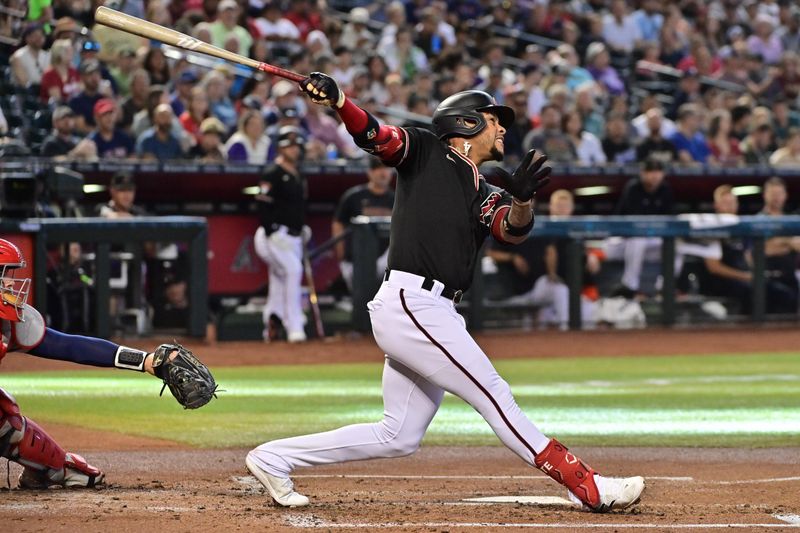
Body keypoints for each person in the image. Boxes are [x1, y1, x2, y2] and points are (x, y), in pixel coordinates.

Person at [246, 76, 645, 511]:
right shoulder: (426, 150)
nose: (502, 130)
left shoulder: (483, 188)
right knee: (494, 393)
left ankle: (273, 457)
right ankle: (585, 483)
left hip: (430, 309)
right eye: (494, 120)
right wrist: (340, 100)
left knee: (398, 436)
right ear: (467, 123)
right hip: (412, 302)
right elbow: (375, 136)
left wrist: (524, 200)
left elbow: (511, 230)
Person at [0, 238, 215, 489]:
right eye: (3, 275)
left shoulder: (9, 324)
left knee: (7, 420)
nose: (11, 284)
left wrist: (145, 362)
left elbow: (69, 346)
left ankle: (52, 467)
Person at [699, 185, 797, 314]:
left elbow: (747, 256)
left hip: (745, 277)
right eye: (725, 203)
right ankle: (746, 330)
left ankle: (775, 332)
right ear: (716, 206)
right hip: (722, 281)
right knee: (751, 293)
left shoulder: (741, 228)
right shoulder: (711, 228)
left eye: (732, 202)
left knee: (784, 294)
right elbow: (714, 267)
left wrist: (755, 273)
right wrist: (744, 276)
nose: (730, 206)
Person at [253, 126, 309, 343]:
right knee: (294, 270)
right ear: (280, 148)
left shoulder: (299, 174)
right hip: (272, 235)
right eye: (289, 146)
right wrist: (270, 230)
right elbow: (262, 204)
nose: (294, 150)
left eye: (296, 146)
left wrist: (302, 228)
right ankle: (294, 324)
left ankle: (271, 322)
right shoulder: (272, 173)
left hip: (293, 236)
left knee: (280, 278)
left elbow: (299, 207)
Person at [606, 157, 675, 298]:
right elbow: (634, 225)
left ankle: (664, 286)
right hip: (621, 241)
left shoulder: (665, 189)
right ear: (643, 173)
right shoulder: (633, 188)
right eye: (650, 171)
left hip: (648, 242)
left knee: (676, 246)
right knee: (638, 239)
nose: (655, 175)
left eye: (658, 171)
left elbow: (670, 220)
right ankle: (630, 286)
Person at [332, 157, 395, 293]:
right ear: (370, 172)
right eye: (378, 169)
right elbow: (338, 223)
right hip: (356, 258)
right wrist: (340, 251)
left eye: (386, 168)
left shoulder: (396, 198)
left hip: (385, 258)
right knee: (360, 297)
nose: (383, 173)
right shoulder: (354, 196)